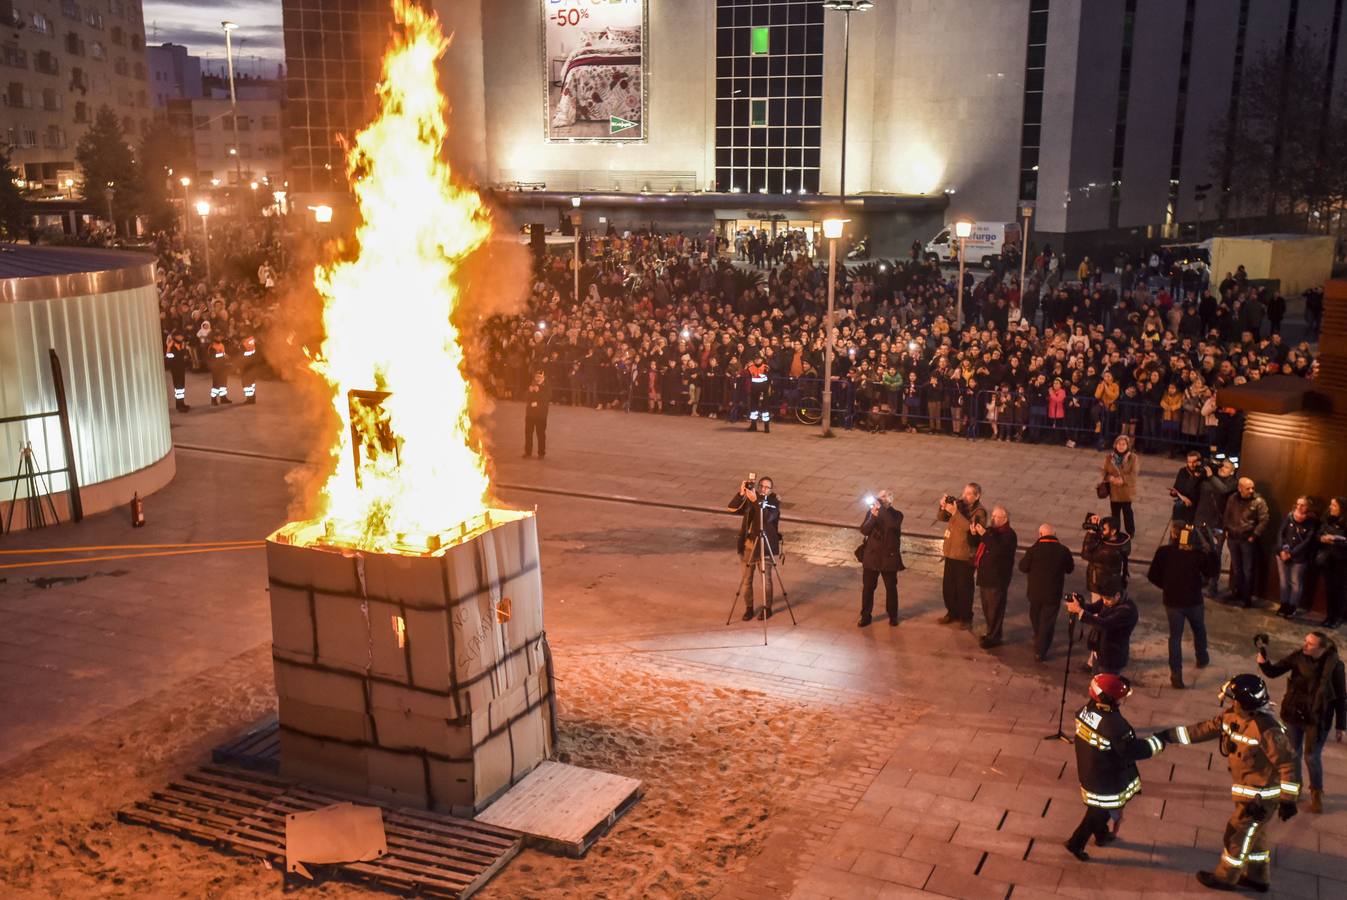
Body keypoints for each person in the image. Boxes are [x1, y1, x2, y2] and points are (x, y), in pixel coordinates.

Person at [1162, 675, 1300, 893]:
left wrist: (1288, 801)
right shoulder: (1233, 717)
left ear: (1244, 702)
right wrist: (1168, 736)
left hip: (1260, 799)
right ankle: (1258, 878)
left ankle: (1226, 877)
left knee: (1235, 835)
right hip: (1247, 793)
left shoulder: (1268, 730)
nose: (1230, 702)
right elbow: (1203, 729)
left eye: (1234, 699)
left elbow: (1288, 765)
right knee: (1256, 837)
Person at [1063, 674, 1166, 862]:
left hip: (1091, 769)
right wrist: (1158, 743)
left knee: (1099, 809)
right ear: (1107, 699)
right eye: (1120, 697)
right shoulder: (1115, 726)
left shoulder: (1087, 711)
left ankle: (1101, 836)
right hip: (1106, 779)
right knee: (1098, 812)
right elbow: (1132, 750)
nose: (1123, 699)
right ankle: (1075, 843)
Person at [1257, 632, 1346, 814]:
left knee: (1312, 757)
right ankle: (1294, 788)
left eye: (1310, 644)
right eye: (1305, 641)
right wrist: (1263, 662)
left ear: (1322, 648)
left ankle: (1316, 792)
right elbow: (1274, 672)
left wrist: (1340, 726)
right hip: (1294, 712)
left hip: (1318, 717)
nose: (1305, 645)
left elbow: (1341, 697)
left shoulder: (1335, 666)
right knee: (1293, 753)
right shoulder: (1299, 657)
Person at [1147, 523, 1218, 689]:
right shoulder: (1197, 554)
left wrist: (1167, 586)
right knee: (1199, 629)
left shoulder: (1164, 552)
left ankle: (1176, 674)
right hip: (1193, 600)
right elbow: (1212, 572)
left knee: (1175, 637)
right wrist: (1211, 551)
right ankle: (1202, 657)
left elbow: (1152, 575)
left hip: (1172, 602)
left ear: (1173, 533)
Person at [1019, 523, 1075, 661]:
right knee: (1047, 622)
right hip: (1053, 594)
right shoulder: (1063, 551)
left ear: (1040, 535)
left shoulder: (1033, 550)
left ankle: (1039, 639)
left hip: (1034, 593)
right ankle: (1041, 650)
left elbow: (1023, 567)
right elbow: (1069, 569)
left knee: (1036, 617)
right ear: (1054, 535)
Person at [728, 475, 781, 621]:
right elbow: (732, 508)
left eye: (766, 487)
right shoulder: (752, 500)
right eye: (761, 486)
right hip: (749, 545)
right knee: (747, 580)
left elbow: (767, 517)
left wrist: (755, 500)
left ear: (771, 490)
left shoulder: (773, 502)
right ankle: (749, 608)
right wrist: (741, 494)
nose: (763, 489)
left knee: (766, 580)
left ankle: (767, 608)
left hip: (765, 545)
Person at [936, 483, 987, 630]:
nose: (964, 496)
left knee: (964, 589)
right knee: (948, 587)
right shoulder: (958, 505)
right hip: (951, 552)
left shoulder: (979, 512)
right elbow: (940, 517)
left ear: (977, 496)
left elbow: (971, 529)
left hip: (965, 555)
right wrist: (943, 506)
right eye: (964, 492)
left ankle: (966, 617)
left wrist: (955, 513)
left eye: (969, 494)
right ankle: (952, 612)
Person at [970, 505, 1017, 648]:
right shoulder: (991, 531)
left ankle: (994, 637)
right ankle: (991, 633)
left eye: (997, 517)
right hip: (986, 575)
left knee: (995, 609)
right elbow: (978, 544)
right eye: (993, 516)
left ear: (1005, 519)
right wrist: (974, 534)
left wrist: (984, 535)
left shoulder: (1009, 534)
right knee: (987, 607)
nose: (993, 519)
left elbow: (997, 550)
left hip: (997, 578)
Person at [858, 490, 905, 627]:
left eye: (884, 496)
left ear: (891, 500)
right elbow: (864, 530)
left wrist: (881, 509)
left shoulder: (897, 515)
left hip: (888, 558)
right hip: (872, 558)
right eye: (879, 496)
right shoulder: (872, 512)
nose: (880, 498)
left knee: (891, 588)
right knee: (868, 588)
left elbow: (891, 525)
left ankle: (893, 615)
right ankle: (865, 616)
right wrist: (872, 516)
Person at [1224, 477, 1271, 608]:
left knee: (1247, 570)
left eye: (1252, 488)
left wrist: (1254, 535)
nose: (1251, 490)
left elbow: (1264, 520)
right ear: (1240, 488)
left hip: (1247, 540)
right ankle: (1237, 592)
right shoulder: (1233, 498)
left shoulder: (1258, 501)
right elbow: (1227, 514)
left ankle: (1247, 598)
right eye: (1248, 488)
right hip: (1233, 538)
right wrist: (1226, 529)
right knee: (1237, 569)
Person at [1066, 590, 1138, 675]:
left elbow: (1104, 624)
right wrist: (1079, 604)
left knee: (1105, 685)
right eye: (1103, 598)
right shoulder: (1109, 598)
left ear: (1117, 595)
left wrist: (1080, 611)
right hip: (1099, 651)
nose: (1104, 602)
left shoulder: (1127, 610)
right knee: (1095, 679)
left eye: (1107, 599)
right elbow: (1093, 608)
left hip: (1111, 658)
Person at [1195, 458, 1238, 597]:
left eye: (1225, 467)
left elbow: (1223, 490)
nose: (1221, 468)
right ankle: (1202, 580)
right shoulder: (1210, 477)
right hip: (1201, 520)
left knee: (1215, 556)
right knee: (1201, 553)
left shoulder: (1232, 483)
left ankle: (1213, 586)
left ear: (1232, 471)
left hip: (1217, 525)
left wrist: (1211, 476)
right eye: (1221, 466)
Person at [1275, 496, 1319, 619]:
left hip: (1299, 557)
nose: (1299, 507)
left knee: (1295, 583)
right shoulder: (1289, 516)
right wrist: (1282, 550)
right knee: (1283, 581)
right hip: (1282, 554)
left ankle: (1292, 607)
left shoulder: (1312, 521)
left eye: (1303, 505)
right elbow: (1281, 533)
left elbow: (1307, 541)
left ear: (1308, 507)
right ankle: (1283, 604)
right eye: (1297, 504)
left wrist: (1291, 554)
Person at [1081, 515, 1131, 601]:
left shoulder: (1109, 551)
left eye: (1103, 529)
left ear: (1113, 531)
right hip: (1110, 586)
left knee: (1099, 611)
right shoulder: (1119, 543)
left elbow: (1085, 554)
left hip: (1102, 587)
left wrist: (1091, 533)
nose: (1100, 531)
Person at [1316, 497, 1347, 628]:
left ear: (1342, 508)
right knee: (1329, 590)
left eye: (1334, 505)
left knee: (1341, 591)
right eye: (1330, 504)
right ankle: (1329, 616)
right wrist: (1321, 538)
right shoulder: (1326, 517)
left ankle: (1338, 618)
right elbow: (1318, 533)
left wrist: (1335, 540)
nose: (1330, 507)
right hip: (1327, 560)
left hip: (1342, 561)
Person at [1101, 435, 1139, 538]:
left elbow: (1134, 474)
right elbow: (1103, 471)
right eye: (1119, 444)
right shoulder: (1109, 457)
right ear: (1115, 445)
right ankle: (1115, 531)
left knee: (1127, 512)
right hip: (1114, 490)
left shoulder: (1133, 458)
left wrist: (1122, 479)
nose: (1121, 446)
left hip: (1126, 490)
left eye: (1123, 444)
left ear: (1127, 445)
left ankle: (1130, 532)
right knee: (1115, 513)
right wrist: (1110, 478)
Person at [1171, 451, 1207, 525]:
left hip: (1197, 504)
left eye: (1194, 462)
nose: (1191, 464)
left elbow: (1194, 490)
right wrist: (1176, 494)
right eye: (1189, 462)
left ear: (1199, 462)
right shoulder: (1183, 471)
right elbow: (1176, 488)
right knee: (1178, 506)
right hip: (1183, 502)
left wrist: (1195, 477)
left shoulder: (1203, 473)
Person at [523, 370, 551, 458]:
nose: (538, 379)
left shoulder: (547, 387)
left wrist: (539, 391)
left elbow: (547, 398)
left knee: (540, 434)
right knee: (528, 434)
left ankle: (541, 453)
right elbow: (525, 397)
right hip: (530, 414)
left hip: (541, 415)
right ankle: (528, 452)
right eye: (536, 377)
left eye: (540, 377)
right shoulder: (532, 385)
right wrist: (529, 391)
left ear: (543, 378)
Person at [165, 330, 190, 412]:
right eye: (179, 336)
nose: (181, 337)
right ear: (175, 336)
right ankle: (179, 406)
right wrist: (181, 352)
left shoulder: (180, 344)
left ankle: (181, 403)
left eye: (182, 336)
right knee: (178, 387)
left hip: (181, 367)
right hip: (175, 368)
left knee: (181, 387)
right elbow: (170, 357)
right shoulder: (171, 345)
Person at [745, 354, 771, 433]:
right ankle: (753, 426)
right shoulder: (750, 368)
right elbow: (748, 378)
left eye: (759, 359)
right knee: (753, 410)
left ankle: (766, 427)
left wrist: (766, 390)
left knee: (765, 410)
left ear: (761, 360)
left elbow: (768, 380)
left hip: (764, 391)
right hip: (754, 391)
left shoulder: (766, 368)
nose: (757, 360)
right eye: (756, 359)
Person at [208, 338, 232, 406]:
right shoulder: (212, 346)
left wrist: (226, 357)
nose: (219, 338)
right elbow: (213, 357)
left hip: (223, 366)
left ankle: (223, 398)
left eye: (220, 336)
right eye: (217, 336)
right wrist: (223, 355)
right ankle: (213, 399)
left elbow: (223, 353)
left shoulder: (221, 344)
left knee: (223, 383)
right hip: (216, 367)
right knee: (216, 384)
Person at [239, 331, 259, 404]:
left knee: (246, 383)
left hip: (246, 366)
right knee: (251, 382)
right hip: (252, 365)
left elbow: (241, 356)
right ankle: (252, 397)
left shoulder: (244, 343)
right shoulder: (252, 340)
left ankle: (250, 399)